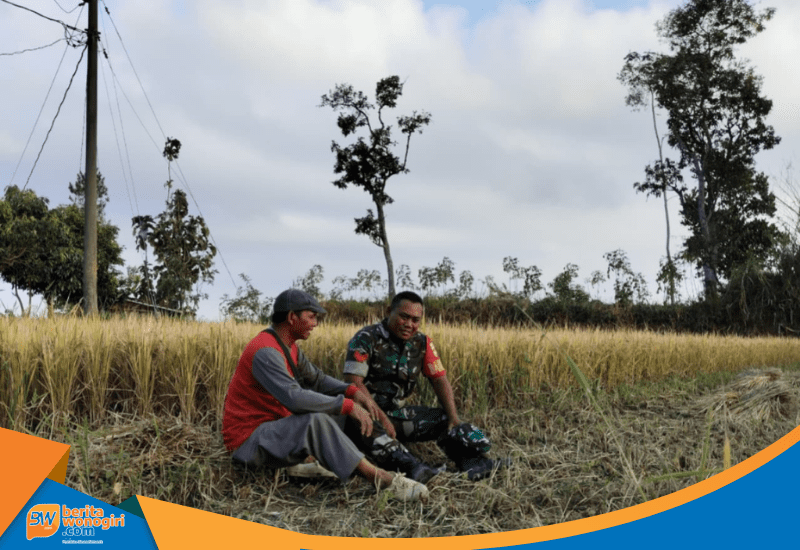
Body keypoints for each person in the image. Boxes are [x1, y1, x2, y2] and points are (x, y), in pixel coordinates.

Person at [221, 288, 440, 502]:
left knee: (341, 415)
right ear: (291, 317)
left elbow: (317, 379)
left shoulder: (289, 347)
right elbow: (294, 399)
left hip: (275, 430)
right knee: (317, 421)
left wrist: (352, 392)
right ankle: (380, 478)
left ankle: (377, 459)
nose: (316, 323)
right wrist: (347, 405)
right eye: (311, 317)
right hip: (248, 442)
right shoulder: (266, 351)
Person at [343, 291, 509, 481]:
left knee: (445, 418)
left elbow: (439, 379)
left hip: (396, 415)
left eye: (415, 320)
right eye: (404, 317)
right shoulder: (366, 338)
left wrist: (454, 420)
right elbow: (353, 383)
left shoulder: (422, 343)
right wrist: (381, 418)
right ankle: (414, 469)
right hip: (363, 415)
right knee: (371, 428)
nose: (409, 324)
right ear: (389, 311)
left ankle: (474, 463)